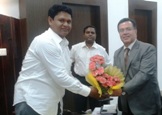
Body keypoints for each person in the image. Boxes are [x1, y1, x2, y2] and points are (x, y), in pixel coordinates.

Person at [13, 5, 107, 115]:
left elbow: (66, 74)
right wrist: (89, 91)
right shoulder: (45, 41)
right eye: (61, 20)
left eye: (69, 21)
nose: (66, 25)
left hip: (51, 102)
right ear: (50, 20)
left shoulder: (64, 45)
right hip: (32, 101)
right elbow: (60, 76)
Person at [112, 18, 161, 115]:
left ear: (135, 31)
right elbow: (115, 75)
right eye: (121, 30)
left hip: (145, 105)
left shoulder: (148, 49)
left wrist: (122, 90)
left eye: (128, 29)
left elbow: (144, 74)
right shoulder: (117, 53)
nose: (125, 32)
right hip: (125, 104)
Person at [70, 25, 111, 114]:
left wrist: (105, 83)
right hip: (80, 81)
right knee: (79, 107)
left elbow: (108, 66)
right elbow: (68, 63)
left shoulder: (101, 50)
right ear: (83, 35)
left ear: (95, 35)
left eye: (92, 33)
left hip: (96, 82)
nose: (90, 34)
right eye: (87, 32)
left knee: (96, 108)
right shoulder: (75, 48)